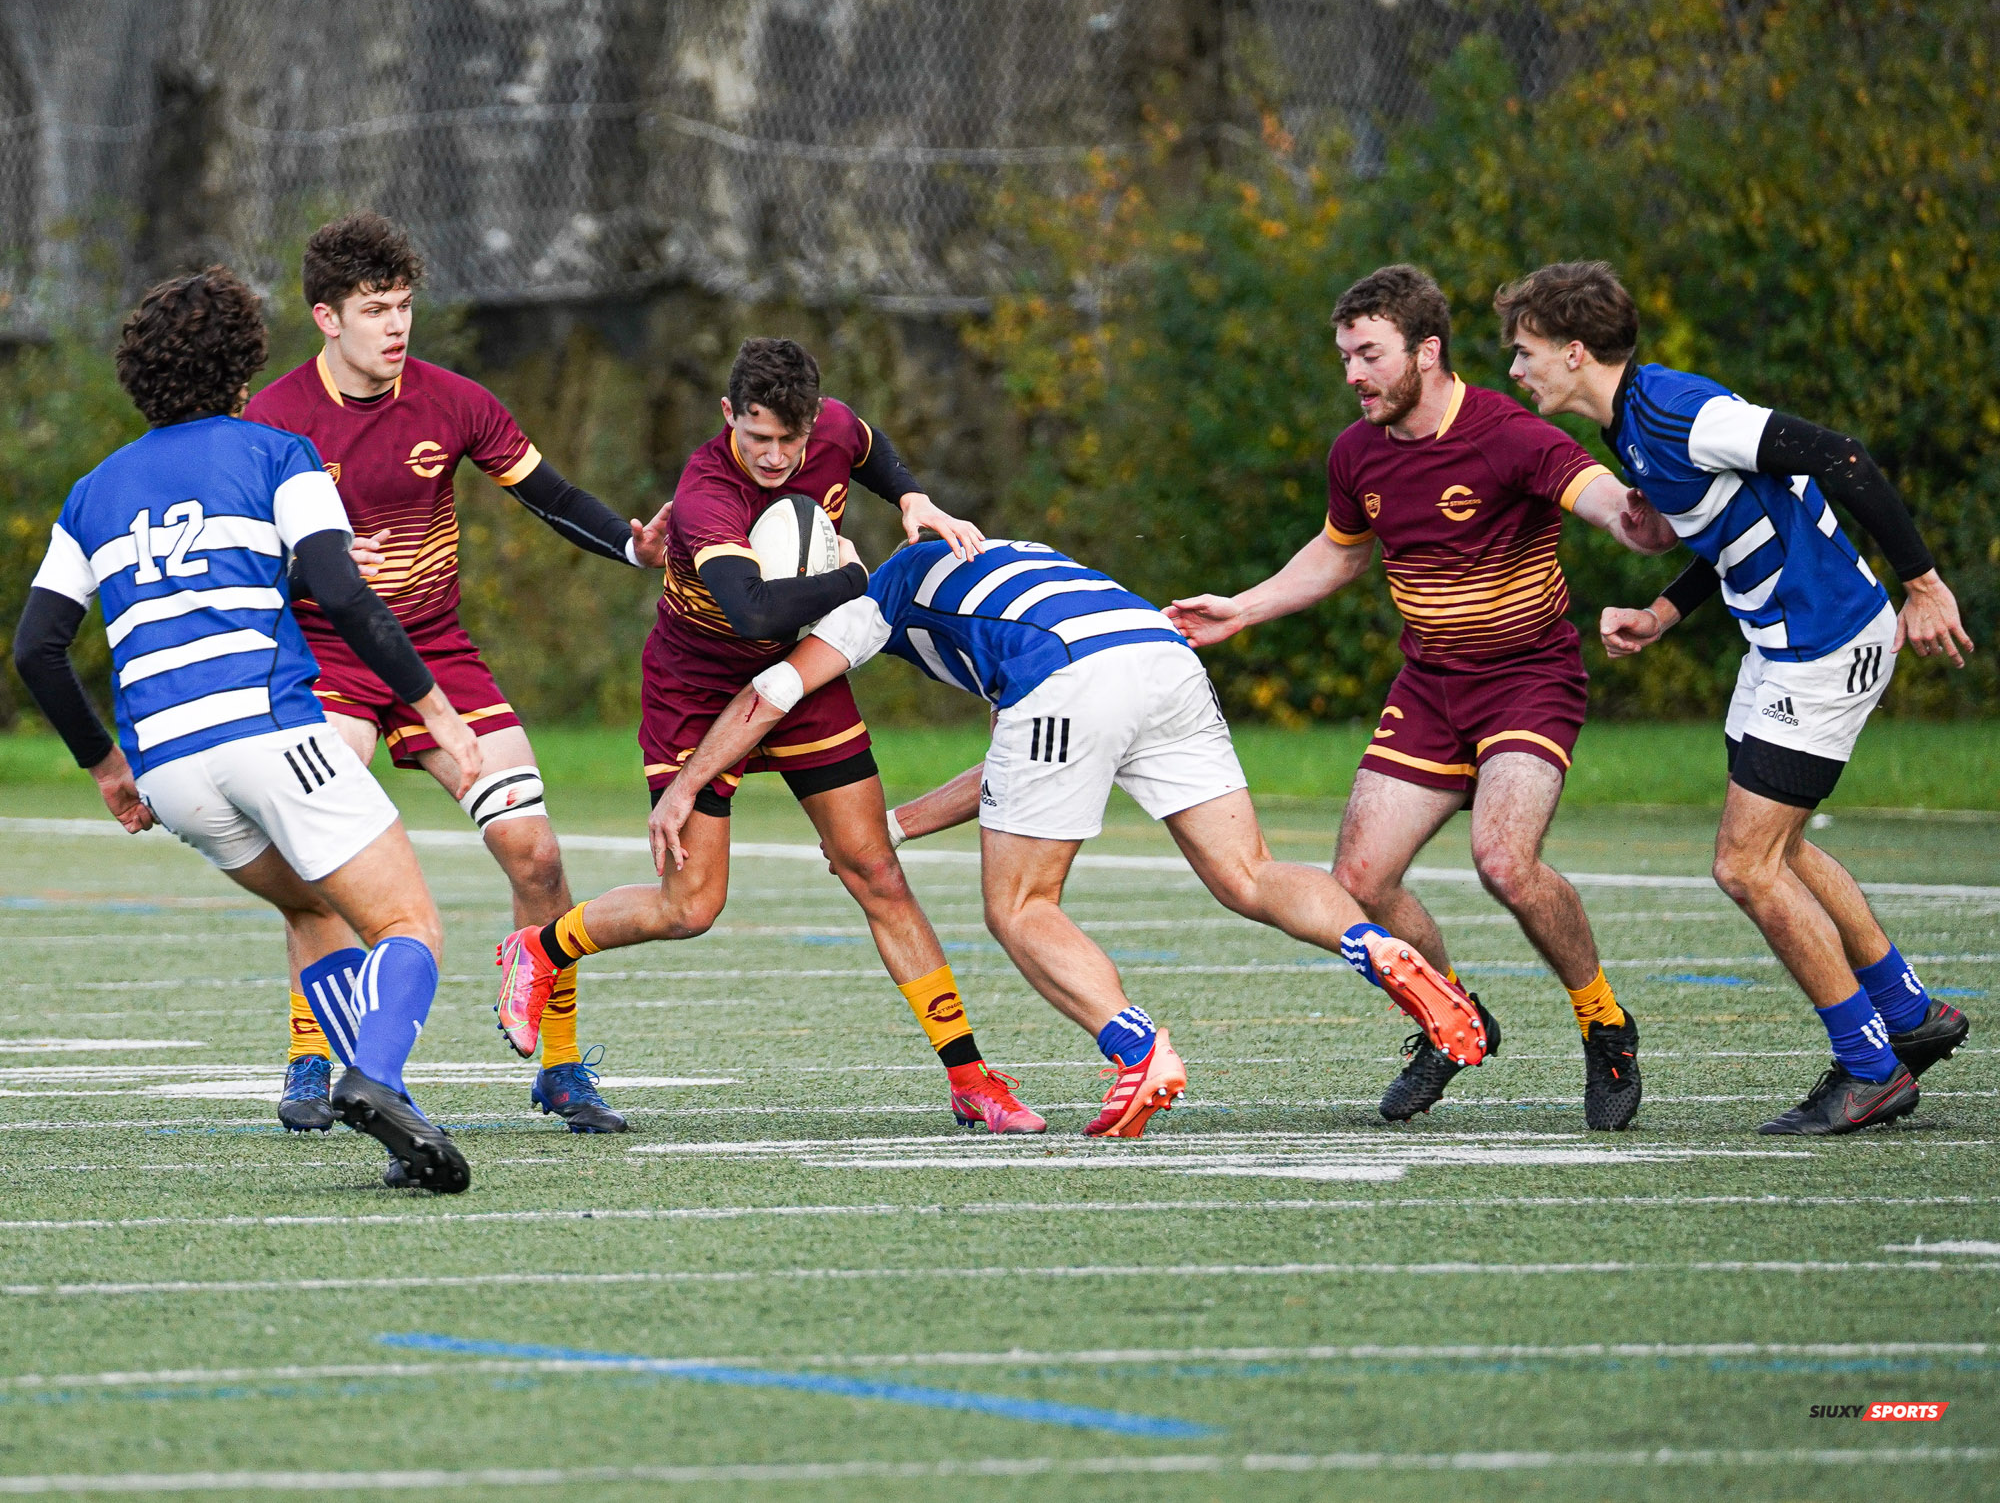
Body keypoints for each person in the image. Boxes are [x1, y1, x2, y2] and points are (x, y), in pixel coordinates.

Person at [649, 536, 1487, 1138]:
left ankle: (1137, 1047)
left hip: (1068, 677)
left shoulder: (878, 595)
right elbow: (1016, 768)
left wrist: (689, 783)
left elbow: (775, 692)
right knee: (1248, 873)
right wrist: (895, 828)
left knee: (1019, 906)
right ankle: (1374, 945)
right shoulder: (996, 556)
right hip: (1158, 655)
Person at [1167, 264, 1676, 1130]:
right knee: (1360, 882)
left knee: (1505, 862)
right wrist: (1241, 609)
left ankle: (1604, 1023)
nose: (1353, 375)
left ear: (1427, 351)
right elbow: (1340, 554)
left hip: (1527, 679)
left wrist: (1641, 516)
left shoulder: (1509, 434)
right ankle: (1450, 1018)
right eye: (1345, 357)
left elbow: (1604, 504)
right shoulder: (1356, 453)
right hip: (1431, 688)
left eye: (1369, 355)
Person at [494, 337, 1044, 1133]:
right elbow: (752, 609)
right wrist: (858, 578)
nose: (779, 456)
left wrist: (911, 498)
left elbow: (867, 445)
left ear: (811, 420)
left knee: (876, 872)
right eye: (760, 438)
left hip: (801, 680)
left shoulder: (829, 432)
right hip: (696, 691)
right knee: (692, 908)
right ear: (729, 418)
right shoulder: (708, 491)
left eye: (792, 438)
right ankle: (543, 949)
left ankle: (970, 1077)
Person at [12, 266, 476, 1191]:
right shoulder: (277, 453)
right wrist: (431, 704)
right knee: (409, 921)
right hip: (268, 734)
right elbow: (341, 591)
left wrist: (109, 769)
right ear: (245, 362)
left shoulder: (93, 491)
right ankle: (376, 1078)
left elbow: (36, 649)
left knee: (312, 907)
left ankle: (396, 1122)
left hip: (172, 773)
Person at [1496, 259, 1975, 1135]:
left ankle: (1872, 1070)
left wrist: (1926, 583)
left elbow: (1839, 456)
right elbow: (1739, 522)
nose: (1516, 371)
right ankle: (1907, 1015)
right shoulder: (1629, 422)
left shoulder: (1678, 411)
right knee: (1779, 850)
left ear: (1572, 351)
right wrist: (1664, 611)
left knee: (1744, 865)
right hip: (1782, 646)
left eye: (1525, 353)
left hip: (1823, 644)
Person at [244, 213, 669, 1136]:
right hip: (326, 665)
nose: (396, 327)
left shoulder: (452, 401)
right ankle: (309, 1055)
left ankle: (558, 1066)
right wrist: (301, 559)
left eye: (403, 307)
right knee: (321, 856)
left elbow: (549, 496)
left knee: (538, 854)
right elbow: (238, 560)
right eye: (373, 310)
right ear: (326, 318)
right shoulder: (272, 420)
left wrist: (636, 547)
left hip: (438, 656)